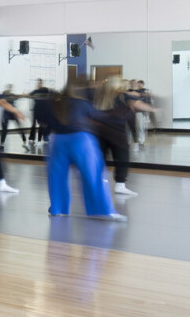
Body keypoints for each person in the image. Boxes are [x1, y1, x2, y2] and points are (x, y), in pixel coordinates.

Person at [37, 79, 126, 221]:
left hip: (58, 141)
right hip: (81, 141)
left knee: (56, 176)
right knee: (94, 174)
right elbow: (101, 117)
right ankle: (103, 211)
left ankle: (57, 209)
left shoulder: (51, 103)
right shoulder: (81, 103)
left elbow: (41, 119)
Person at [97, 78, 155, 197]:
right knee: (122, 158)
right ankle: (120, 184)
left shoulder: (100, 97)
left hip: (101, 132)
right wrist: (153, 109)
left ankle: (99, 180)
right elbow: (137, 105)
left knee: (101, 157)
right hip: (117, 132)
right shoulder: (122, 96)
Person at [25, 80, 53, 152]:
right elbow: (29, 95)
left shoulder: (45, 90)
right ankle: (32, 138)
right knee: (34, 124)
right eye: (38, 83)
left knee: (42, 124)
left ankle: (42, 139)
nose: (39, 84)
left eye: (40, 83)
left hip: (43, 110)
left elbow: (51, 94)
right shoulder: (35, 91)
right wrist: (24, 95)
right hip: (36, 110)